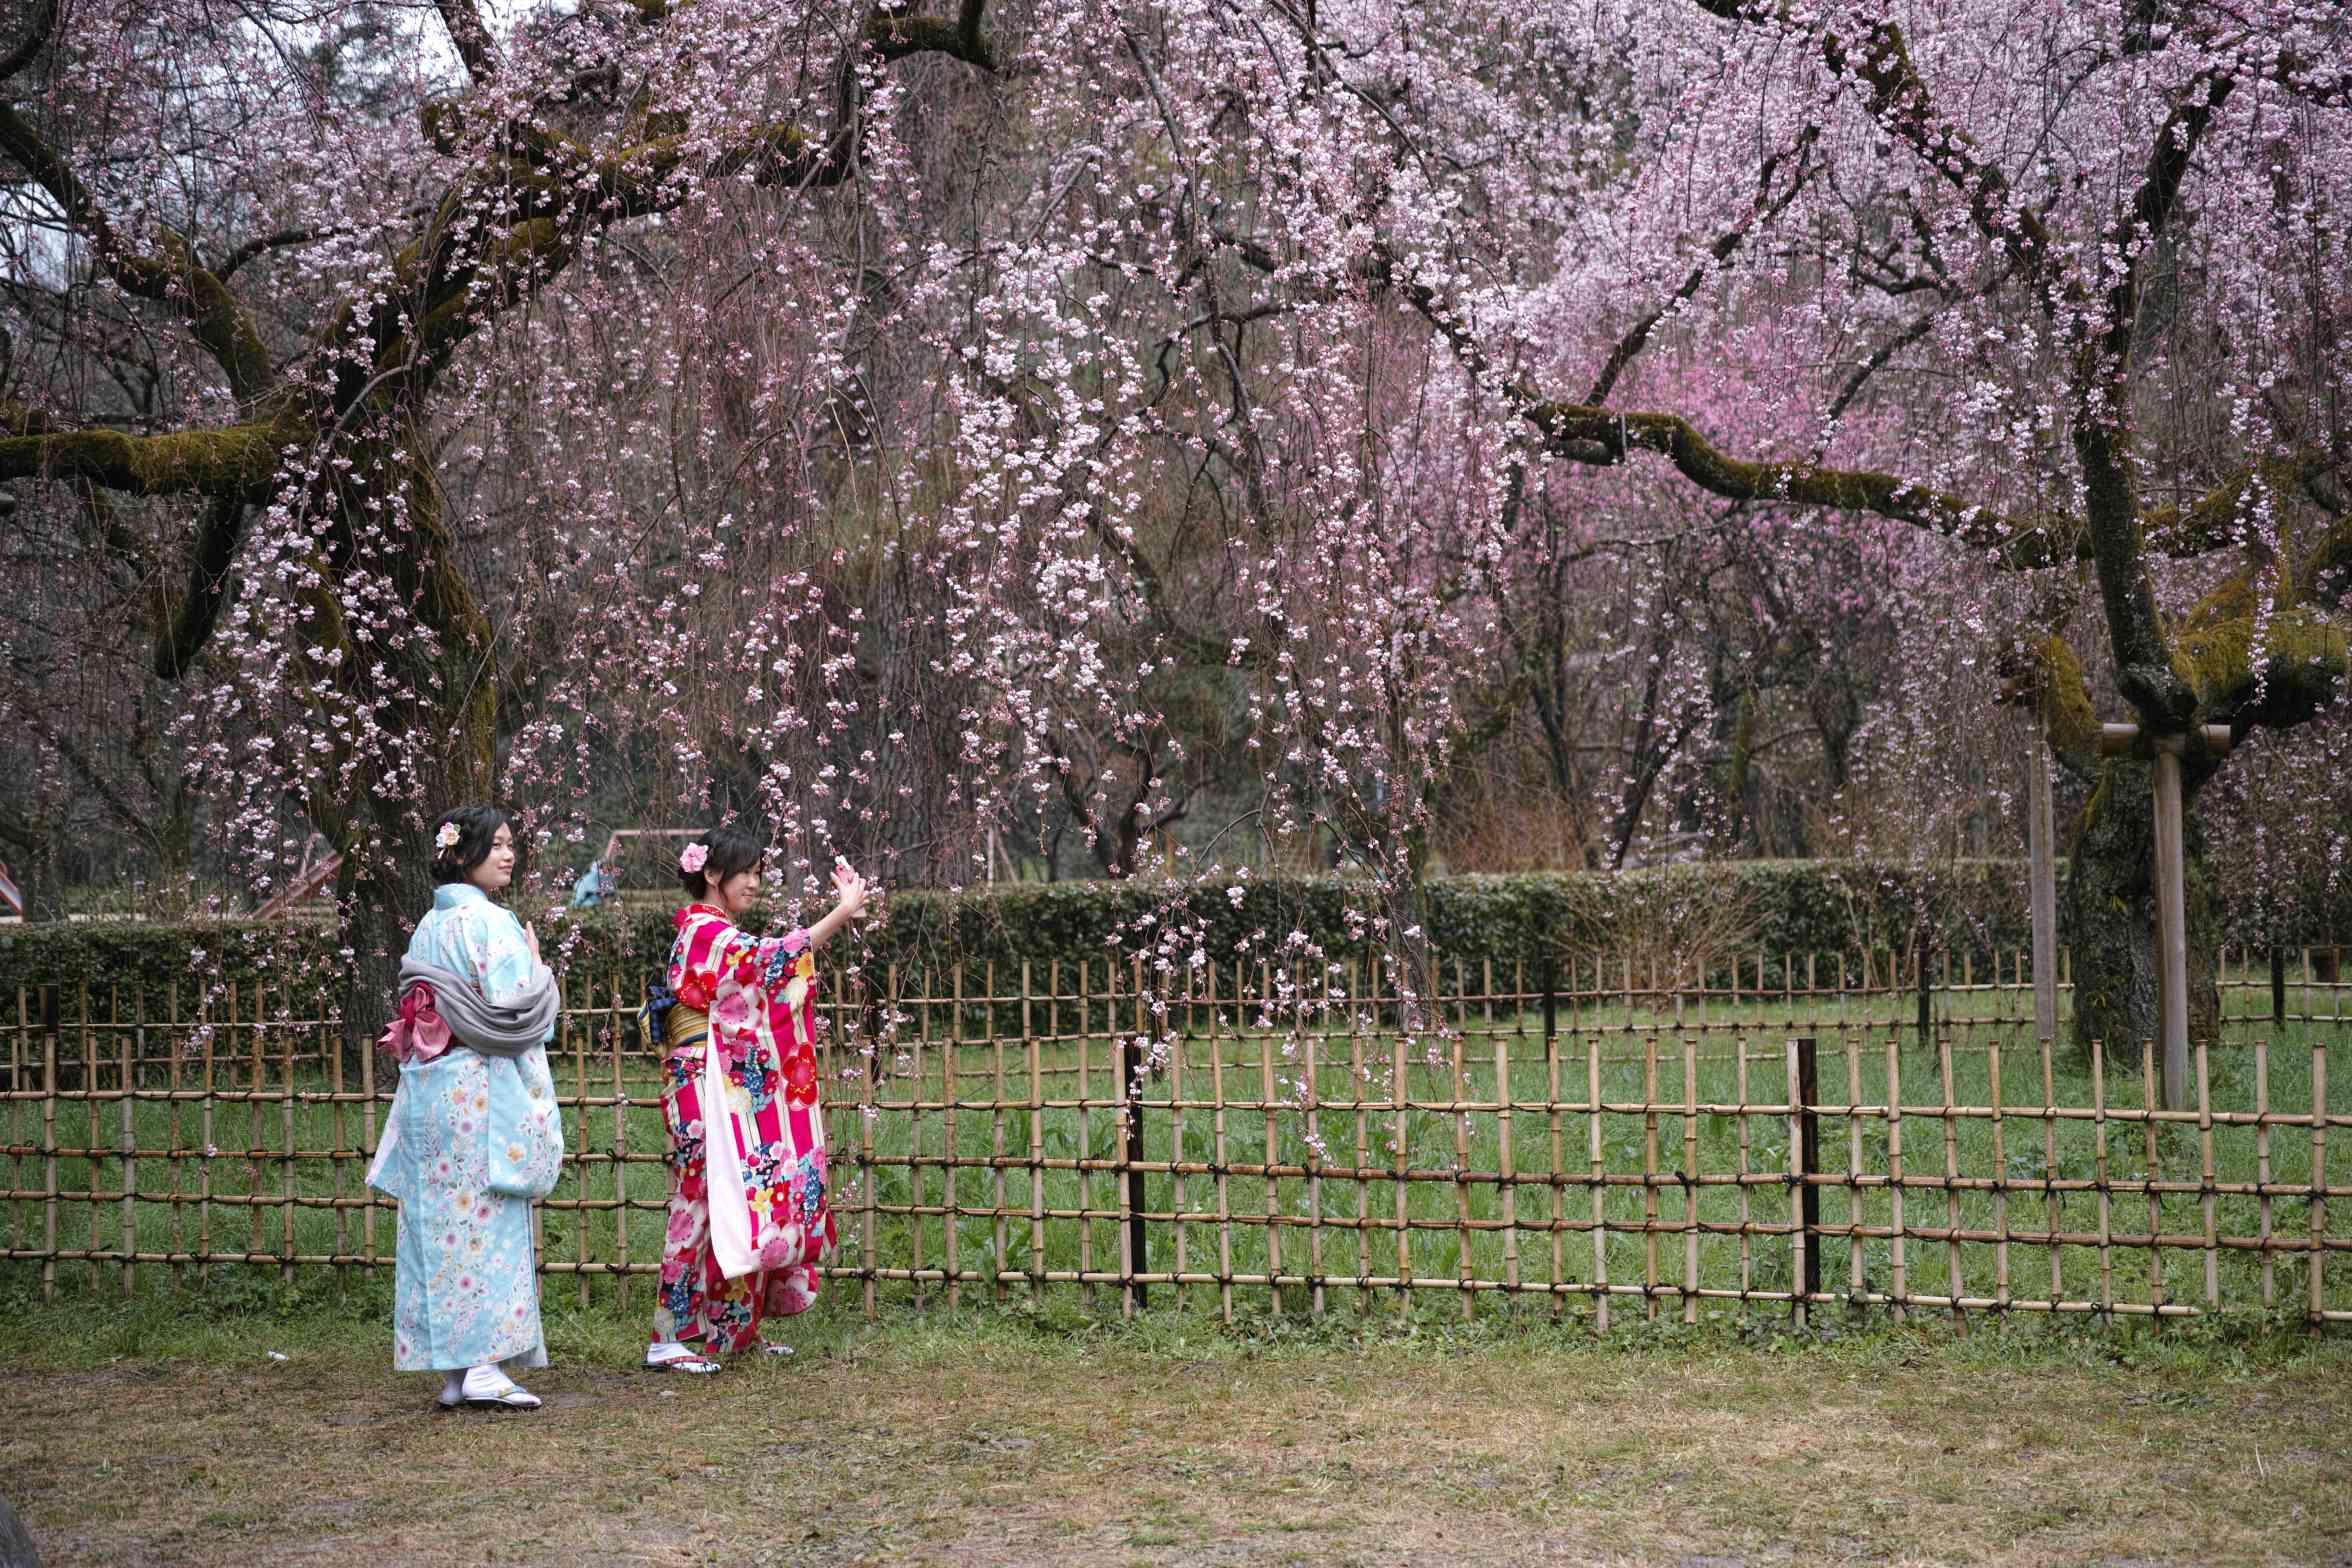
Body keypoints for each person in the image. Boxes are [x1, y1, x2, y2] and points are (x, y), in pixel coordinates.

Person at [640, 826, 867, 1373]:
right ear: (713, 875)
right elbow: (767, 961)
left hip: (712, 1077)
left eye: (760, 873)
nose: (756, 883)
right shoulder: (702, 931)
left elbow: (757, 972)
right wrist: (838, 914)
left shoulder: (715, 932)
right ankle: (665, 1336)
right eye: (747, 872)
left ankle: (733, 1330)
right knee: (697, 1201)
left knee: (740, 1197)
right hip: (698, 1080)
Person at [367, 806, 567, 1410]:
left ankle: (454, 1371)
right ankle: (483, 1364)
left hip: (429, 1087)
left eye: (510, 844)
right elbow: (518, 1010)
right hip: (477, 1089)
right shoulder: (492, 922)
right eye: (496, 845)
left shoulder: (429, 925)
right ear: (462, 854)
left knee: (437, 1226)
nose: (508, 855)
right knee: (485, 1222)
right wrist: (537, 965)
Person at [568, 832, 623, 909]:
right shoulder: (593, 877)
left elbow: (609, 892)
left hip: (594, 903)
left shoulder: (607, 876)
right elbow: (599, 892)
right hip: (584, 904)